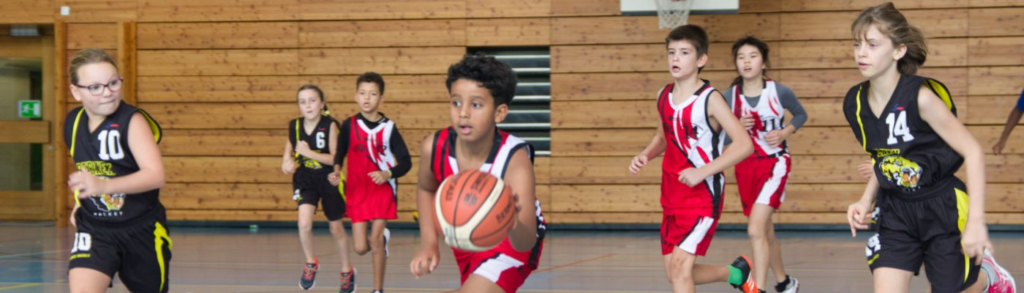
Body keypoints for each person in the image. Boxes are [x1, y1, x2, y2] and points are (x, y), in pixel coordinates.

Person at [842, 3, 1016, 293]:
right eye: (857, 44)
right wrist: (864, 199)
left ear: (898, 51)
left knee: (954, 288)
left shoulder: (920, 98)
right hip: (895, 209)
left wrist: (976, 222)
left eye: (872, 44)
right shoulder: (856, 104)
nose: (861, 52)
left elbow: (973, 152)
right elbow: (885, 159)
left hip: (941, 207)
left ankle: (990, 278)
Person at [627, 24, 760, 293]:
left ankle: (738, 274)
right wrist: (646, 154)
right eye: (671, 52)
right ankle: (736, 273)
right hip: (672, 193)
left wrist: (703, 171)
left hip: (702, 194)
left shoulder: (710, 99)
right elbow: (663, 138)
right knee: (675, 272)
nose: (675, 58)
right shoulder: (663, 96)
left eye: (684, 52)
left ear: (701, 60)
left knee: (680, 268)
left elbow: (744, 144)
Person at [409, 53, 546, 293]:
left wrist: (511, 219)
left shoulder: (514, 160)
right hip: (466, 239)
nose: (463, 113)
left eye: (476, 104)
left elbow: (525, 241)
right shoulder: (435, 146)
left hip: (513, 242)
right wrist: (429, 242)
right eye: (456, 102)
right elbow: (426, 188)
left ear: (499, 113)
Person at [65, 48, 171, 293]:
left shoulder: (132, 121)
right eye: (95, 87)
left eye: (113, 83)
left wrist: (105, 187)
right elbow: (88, 168)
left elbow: (156, 175)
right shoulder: (72, 123)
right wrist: (79, 203)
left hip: (141, 229)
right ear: (76, 91)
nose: (107, 92)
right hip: (94, 229)